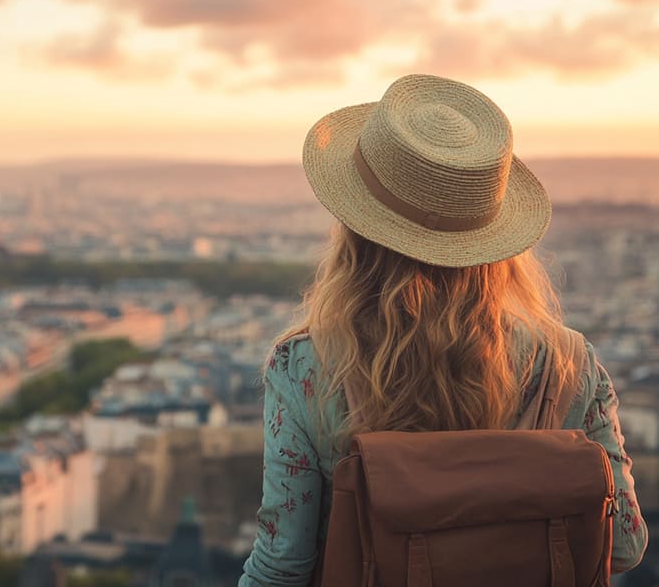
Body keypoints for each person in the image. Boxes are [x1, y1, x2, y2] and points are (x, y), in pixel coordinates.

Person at [238, 74, 648, 587]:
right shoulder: (566, 363)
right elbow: (626, 543)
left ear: (356, 231)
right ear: (492, 242)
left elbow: (283, 564)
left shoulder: (305, 367)